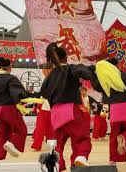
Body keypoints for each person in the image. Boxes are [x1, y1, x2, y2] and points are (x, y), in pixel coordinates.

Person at [40, 42, 93, 171]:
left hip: (56, 113)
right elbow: (84, 72)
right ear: (65, 58)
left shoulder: (50, 75)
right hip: (71, 109)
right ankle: (80, 157)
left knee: (58, 143)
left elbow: (44, 92)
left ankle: (58, 165)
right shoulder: (70, 68)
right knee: (80, 138)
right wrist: (90, 72)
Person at [0, 57, 30, 163]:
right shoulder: (10, 78)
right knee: (21, 129)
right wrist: (24, 98)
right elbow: (18, 93)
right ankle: (12, 144)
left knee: (1, 134)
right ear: (9, 67)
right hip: (8, 108)